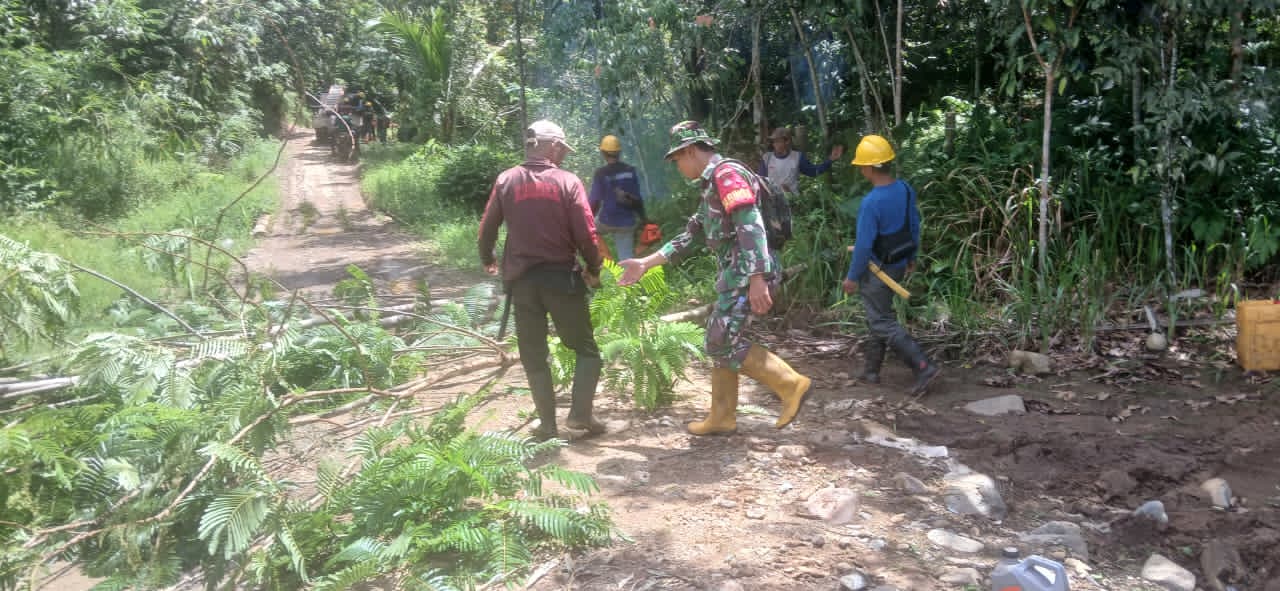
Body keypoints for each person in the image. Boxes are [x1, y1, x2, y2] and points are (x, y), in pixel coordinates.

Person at [619, 121, 811, 436]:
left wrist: (757, 278)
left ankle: (791, 385)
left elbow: (751, 224)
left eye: (678, 159)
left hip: (746, 272)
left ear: (691, 151)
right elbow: (690, 234)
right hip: (736, 273)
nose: (678, 166)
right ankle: (722, 416)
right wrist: (645, 263)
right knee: (719, 338)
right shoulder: (711, 185)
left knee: (720, 340)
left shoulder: (727, 175)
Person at [478, 120, 606, 441]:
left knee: (534, 356)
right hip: (562, 280)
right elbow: (587, 235)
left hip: (522, 285)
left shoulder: (506, 180)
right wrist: (594, 268)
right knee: (586, 350)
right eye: (562, 148)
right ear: (551, 146)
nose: (563, 154)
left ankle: (548, 427)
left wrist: (487, 258)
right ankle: (579, 418)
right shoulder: (568, 182)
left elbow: (487, 228)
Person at [842, 134, 940, 395]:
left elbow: (863, 246)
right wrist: (912, 258)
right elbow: (913, 226)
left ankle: (923, 367)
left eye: (861, 164)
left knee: (880, 320)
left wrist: (852, 277)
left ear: (870, 168)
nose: (860, 168)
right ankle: (871, 371)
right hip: (898, 262)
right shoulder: (905, 189)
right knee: (879, 314)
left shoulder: (871, 203)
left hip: (878, 271)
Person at [588, 135, 646, 259]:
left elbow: (595, 201)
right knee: (626, 259)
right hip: (627, 222)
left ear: (603, 153)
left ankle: (606, 257)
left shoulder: (600, 173)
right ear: (619, 152)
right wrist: (644, 219)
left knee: (591, 230)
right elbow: (637, 199)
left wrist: (587, 221)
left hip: (607, 220)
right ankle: (628, 274)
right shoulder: (630, 170)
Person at [759, 127, 844, 194]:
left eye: (778, 141)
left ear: (787, 142)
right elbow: (761, 180)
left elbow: (813, 171)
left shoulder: (797, 157)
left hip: (792, 200)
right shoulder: (767, 158)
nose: (775, 144)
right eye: (774, 142)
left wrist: (830, 159)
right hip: (771, 200)